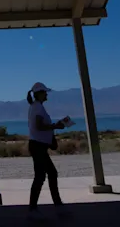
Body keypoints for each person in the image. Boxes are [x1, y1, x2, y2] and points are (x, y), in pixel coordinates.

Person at [26, 82, 71, 219]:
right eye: (44, 92)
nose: (46, 94)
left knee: (48, 174)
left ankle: (55, 205)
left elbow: (39, 126)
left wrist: (53, 127)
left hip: (38, 146)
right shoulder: (38, 108)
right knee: (42, 176)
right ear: (39, 94)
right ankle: (35, 208)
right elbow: (39, 126)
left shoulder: (36, 107)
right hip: (38, 146)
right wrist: (55, 126)